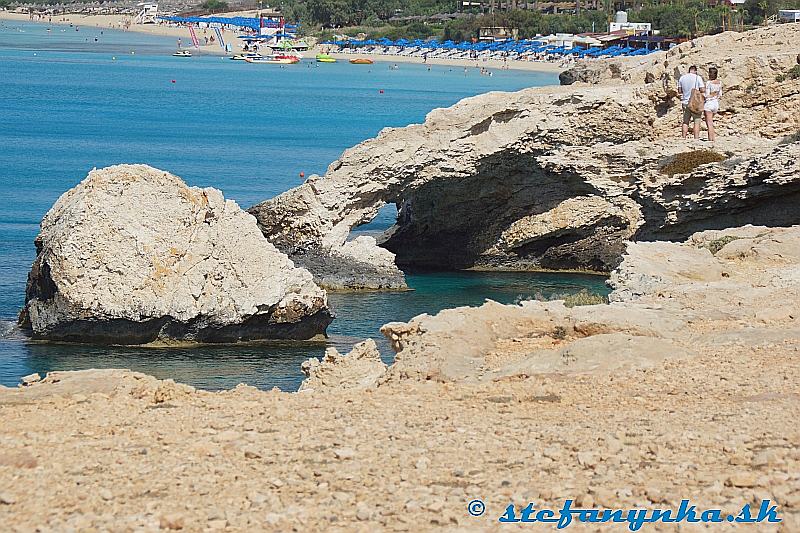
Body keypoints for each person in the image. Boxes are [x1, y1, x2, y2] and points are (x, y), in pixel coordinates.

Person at [677, 65, 705, 139]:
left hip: (685, 102)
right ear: (695, 71)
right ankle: (696, 138)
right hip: (695, 102)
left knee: (685, 121)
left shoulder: (682, 78)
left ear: (689, 70)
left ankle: (683, 137)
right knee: (696, 121)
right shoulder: (697, 78)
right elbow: (702, 89)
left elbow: (680, 91)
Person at [704, 67, 722, 143]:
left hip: (709, 103)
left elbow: (707, 95)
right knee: (711, 122)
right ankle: (712, 138)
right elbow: (720, 94)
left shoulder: (709, 83)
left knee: (709, 123)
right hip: (716, 103)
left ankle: (711, 139)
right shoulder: (719, 82)